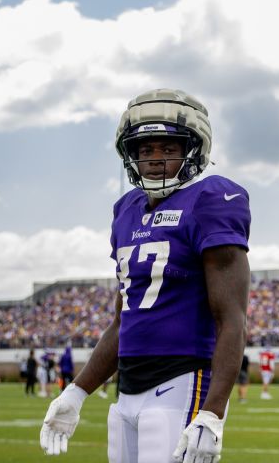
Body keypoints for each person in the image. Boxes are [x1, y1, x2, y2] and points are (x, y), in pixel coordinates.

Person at [40, 89, 251, 463]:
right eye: (145, 149)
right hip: (127, 388)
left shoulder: (210, 200)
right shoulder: (126, 211)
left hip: (182, 381)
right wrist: (76, 392)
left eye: (167, 148)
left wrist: (214, 410)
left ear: (194, 150)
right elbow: (123, 322)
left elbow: (231, 319)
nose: (154, 160)